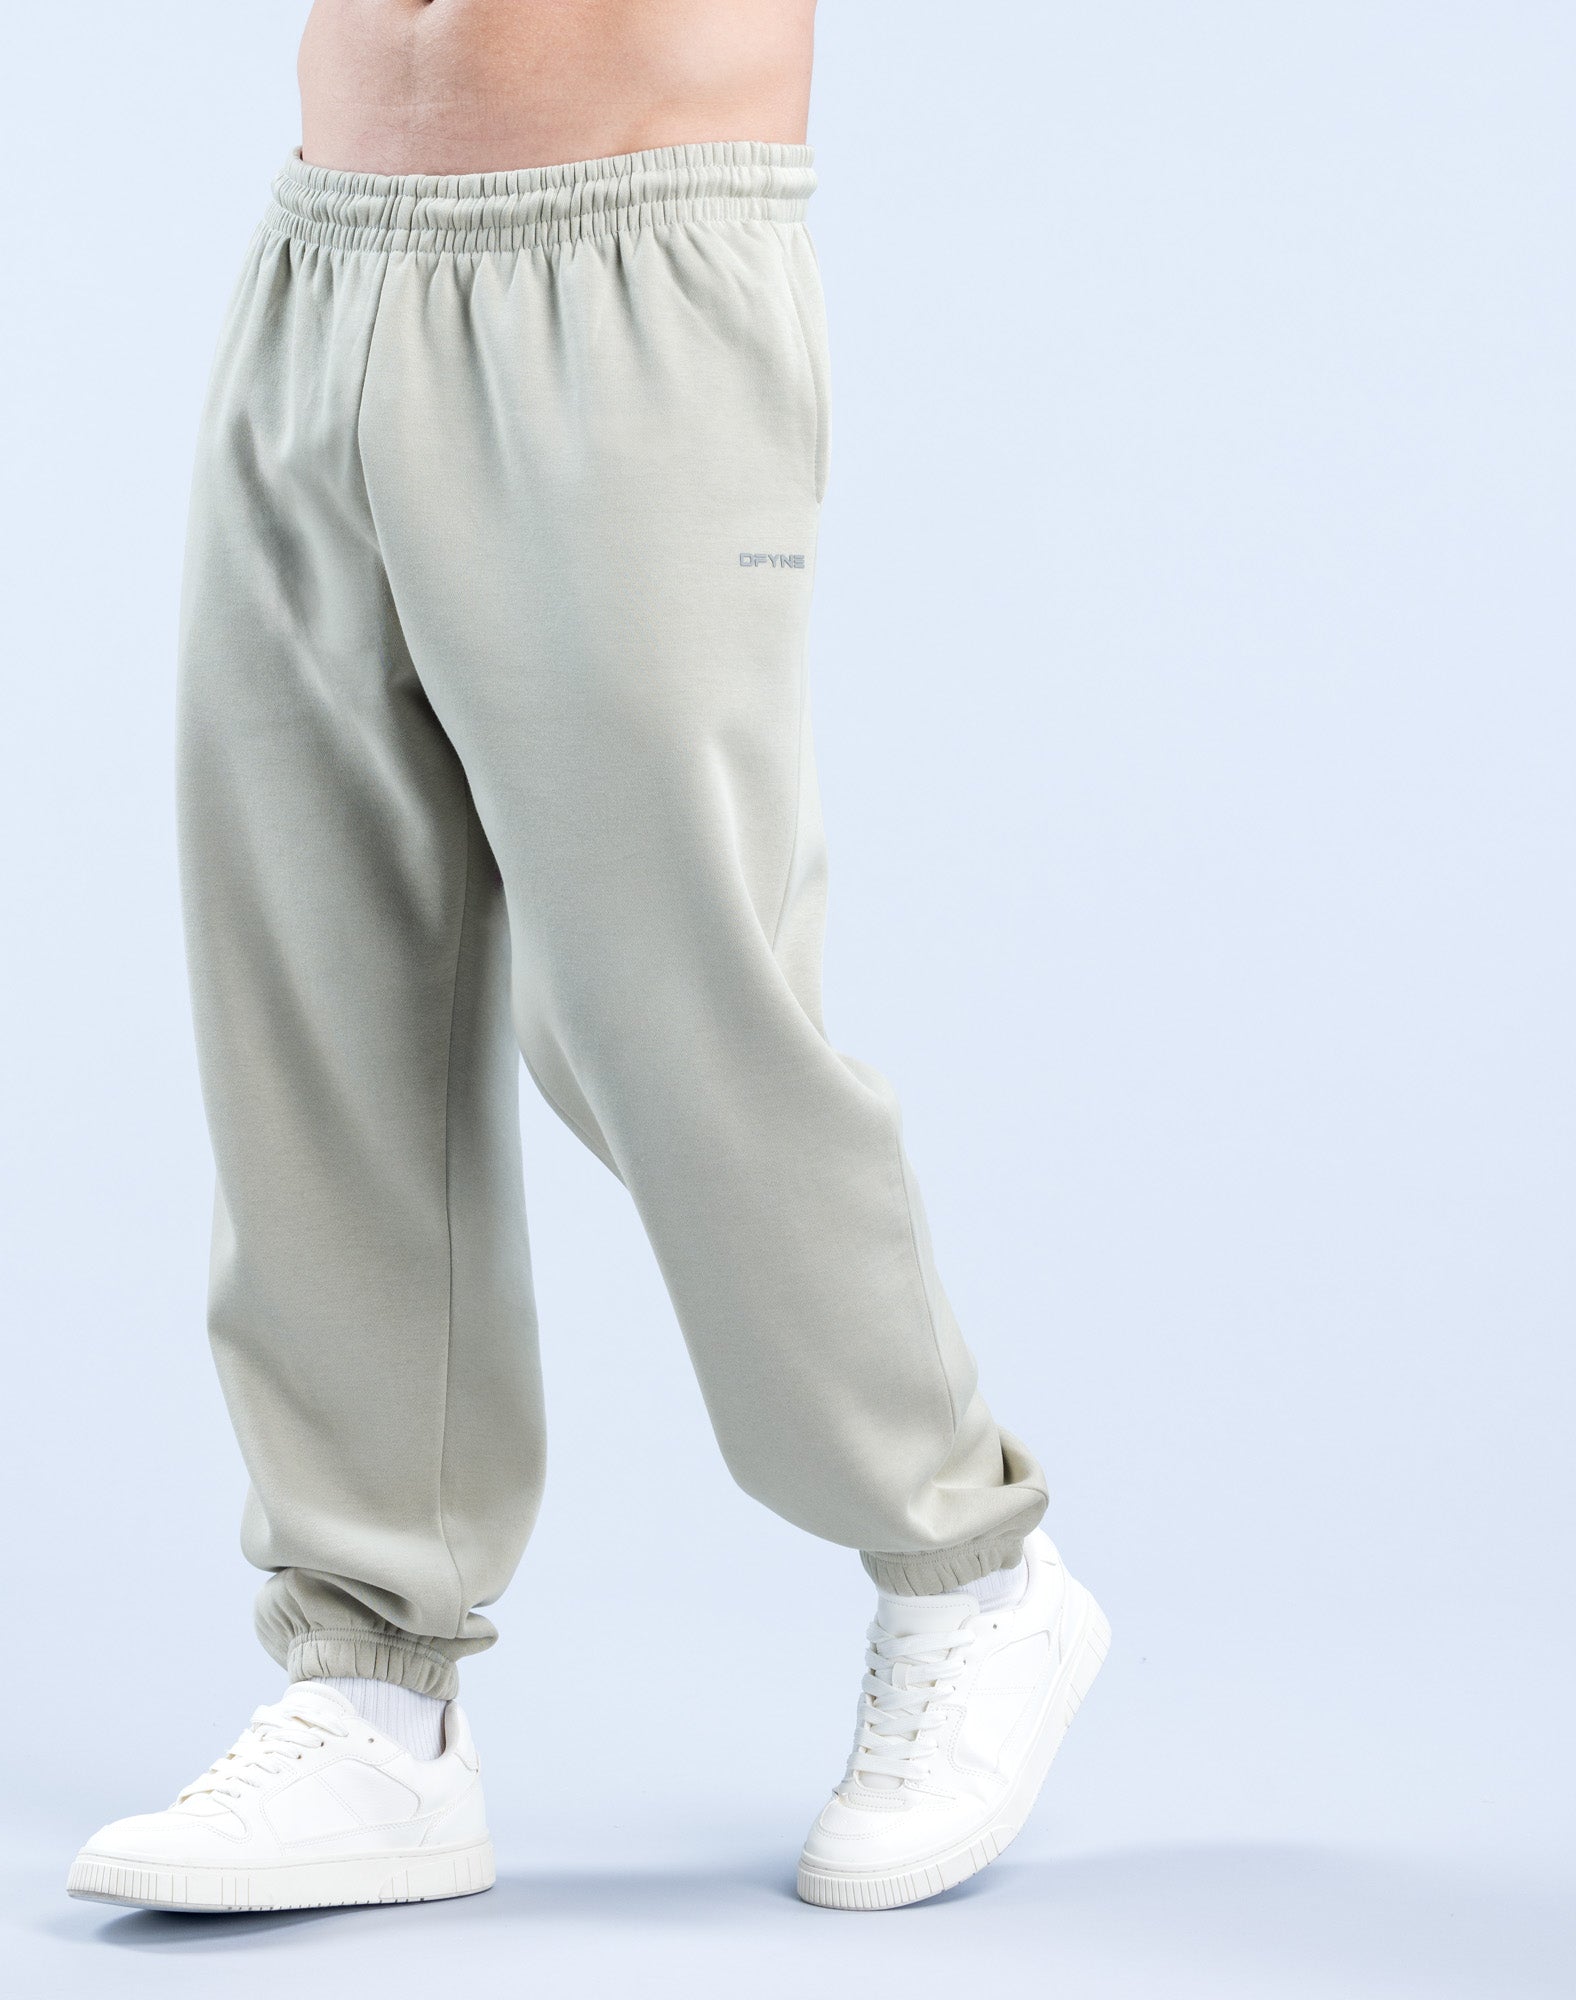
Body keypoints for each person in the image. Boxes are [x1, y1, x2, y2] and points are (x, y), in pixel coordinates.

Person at [68, 0, 1106, 1916]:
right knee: (313, 997)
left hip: (629, 270)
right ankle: (374, 1697)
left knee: (668, 1006)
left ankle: (970, 1575)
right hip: (325, 262)